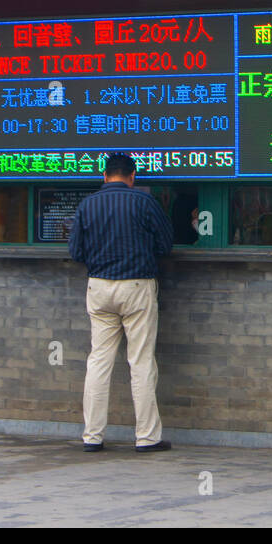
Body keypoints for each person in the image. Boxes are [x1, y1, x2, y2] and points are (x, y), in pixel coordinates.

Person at [68, 152, 175, 454]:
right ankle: (146, 437)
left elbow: (76, 252)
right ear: (132, 176)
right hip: (137, 286)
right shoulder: (144, 203)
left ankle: (92, 436)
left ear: (105, 175)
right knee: (140, 362)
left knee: (98, 361)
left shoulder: (87, 205)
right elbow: (165, 245)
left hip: (99, 287)